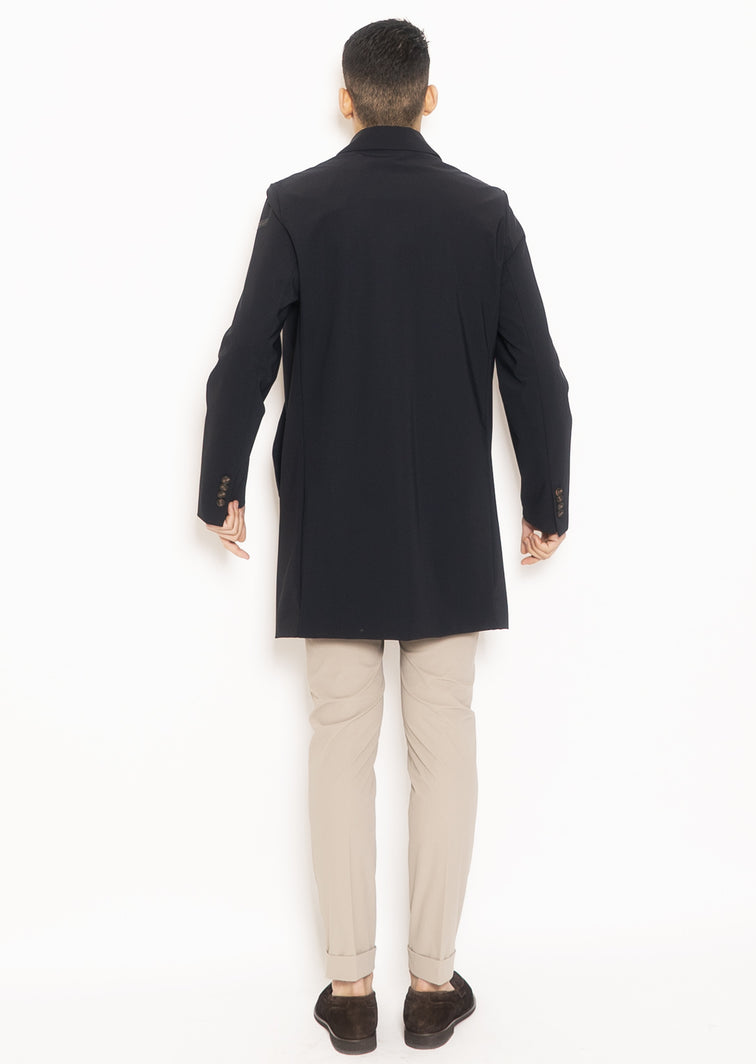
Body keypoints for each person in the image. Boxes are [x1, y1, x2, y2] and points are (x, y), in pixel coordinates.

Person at [197, 17, 571, 1055]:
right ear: (429, 99)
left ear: (347, 100)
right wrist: (545, 496)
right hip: (447, 523)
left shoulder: (297, 205)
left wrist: (221, 485)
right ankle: (433, 985)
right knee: (443, 744)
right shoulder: (483, 212)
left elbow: (242, 358)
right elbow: (536, 372)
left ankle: (351, 991)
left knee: (338, 746)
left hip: (333, 523)